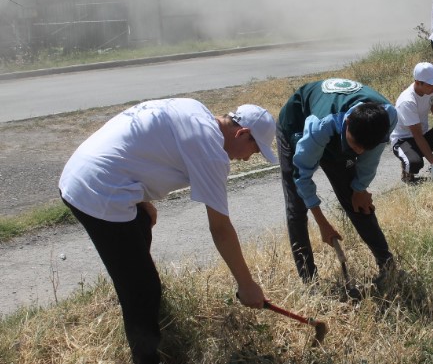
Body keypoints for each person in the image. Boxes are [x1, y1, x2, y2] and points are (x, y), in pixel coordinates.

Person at [58, 98, 278, 364]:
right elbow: (220, 228)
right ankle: (146, 356)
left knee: (139, 230)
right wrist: (247, 284)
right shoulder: (210, 151)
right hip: (97, 192)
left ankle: (145, 312)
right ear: (242, 133)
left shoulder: (193, 108)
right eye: (252, 152)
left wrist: (140, 200)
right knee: (143, 288)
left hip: (83, 169)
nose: (245, 159)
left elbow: (139, 146)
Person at [276, 78, 398, 283]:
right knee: (296, 206)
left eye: (364, 148)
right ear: (348, 123)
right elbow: (301, 176)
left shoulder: (388, 117)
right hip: (296, 121)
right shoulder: (319, 125)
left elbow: (370, 159)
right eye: (355, 145)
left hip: (339, 129)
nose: (358, 152)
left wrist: (360, 188)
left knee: (356, 199)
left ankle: (387, 267)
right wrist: (322, 223)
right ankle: (309, 279)